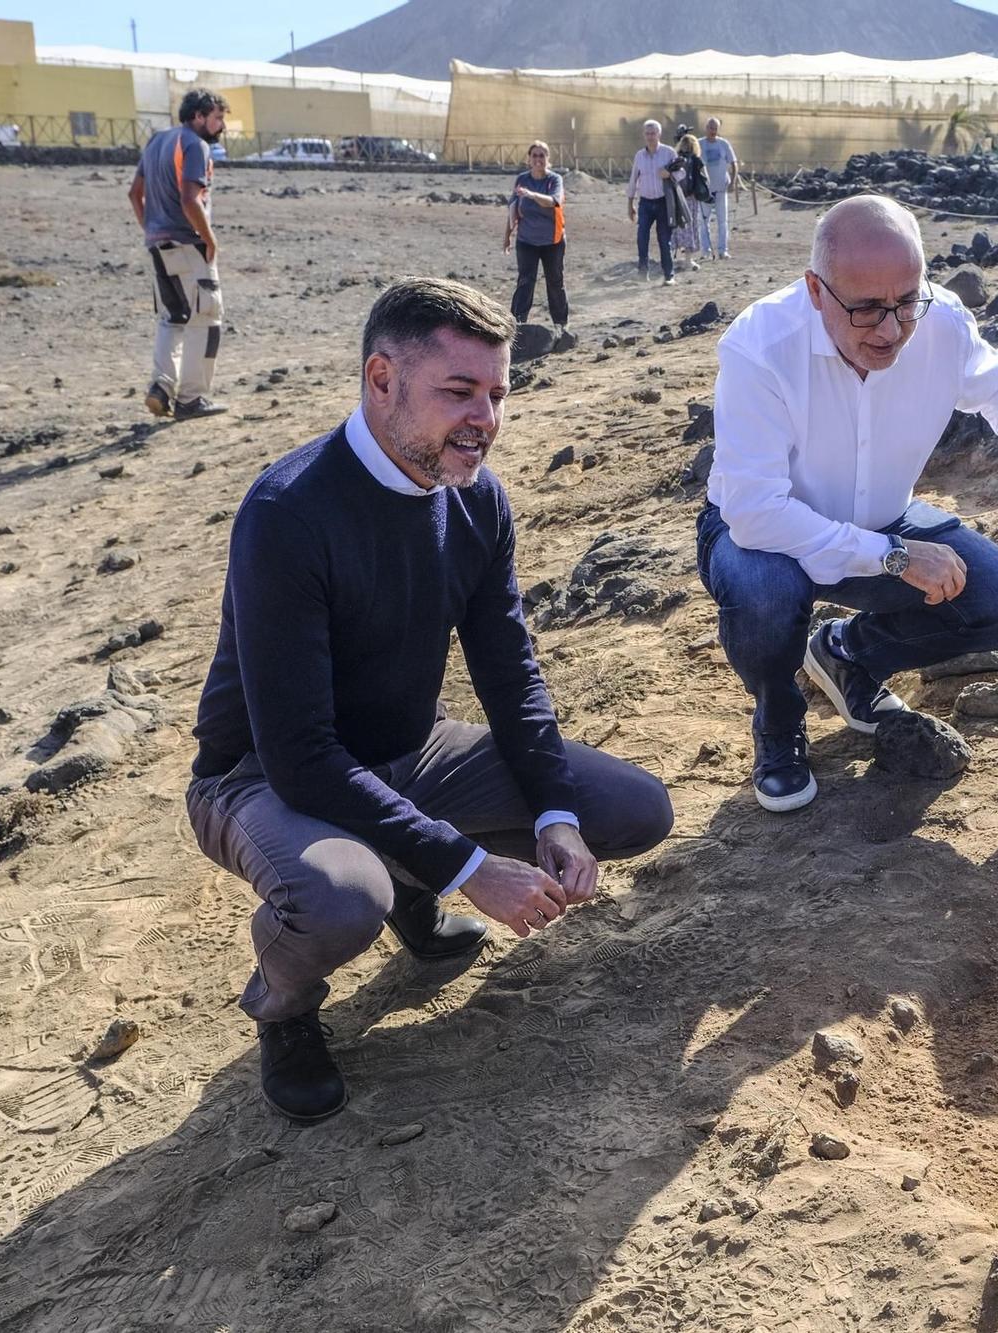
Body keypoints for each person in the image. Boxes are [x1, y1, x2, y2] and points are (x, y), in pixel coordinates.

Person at [186, 277, 675, 1121]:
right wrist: (470, 866)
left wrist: (555, 812)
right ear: (382, 380)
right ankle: (286, 1006)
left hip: (411, 752)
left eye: (496, 393)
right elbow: (302, 756)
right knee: (344, 900)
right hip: (258, 776)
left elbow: (510, 672)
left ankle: (408, 874)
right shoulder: (288, 512)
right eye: (458, 391)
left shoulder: (478, 500)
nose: (484, 416)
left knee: (631, 808)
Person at [697, 196, 998, 812]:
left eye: (905, 302)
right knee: (767, 594)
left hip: (884, 520)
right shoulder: (759, 347)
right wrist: (892, 557)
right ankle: (779, 727)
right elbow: (755, 510)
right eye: (865, 309)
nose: (890, 330)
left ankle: (845, 655)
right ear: (815, 290)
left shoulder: (940, 323)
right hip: (762, 537)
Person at [128, 88, 230, 420]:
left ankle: (161, 387)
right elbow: (190, 199)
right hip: (188, 244)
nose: (221, 125)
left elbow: (134, 193)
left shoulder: (157, 141)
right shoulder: (194, 145)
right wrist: (209, 237)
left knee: (171, 318)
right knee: (206, 318)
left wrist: (151, 229)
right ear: (198, 116)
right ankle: (191, 398)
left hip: (158, 244)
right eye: (217, 118)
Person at [504, 140, 567, 333]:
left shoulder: (554, 180)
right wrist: (507, 236)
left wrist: (531, 195)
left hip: (552, 240)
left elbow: (554, 202)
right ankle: (517, 325)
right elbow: (513, 209)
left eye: (542, 155)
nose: (538, 159)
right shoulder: (522, 179)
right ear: (529, 159)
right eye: (535, 156)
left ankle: (560, 325)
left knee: (555, 281)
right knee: (525, 281)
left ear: (548, 159)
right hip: (526, 240)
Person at [628, 120, 681, 285]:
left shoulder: (669, 153)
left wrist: (669, 174)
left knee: (664, 239)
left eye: (653, 133)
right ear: (644, 135)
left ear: (659, 134)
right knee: (641, 236)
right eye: (647, 133)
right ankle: (643, 272)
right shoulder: (639, 156)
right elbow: (633, 180)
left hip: (664, 202)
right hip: (645, 203)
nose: (650, 136)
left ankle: (669, 275)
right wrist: (630, 203)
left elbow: (682, 172)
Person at [697, 117, 738, 260]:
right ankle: (706, 250)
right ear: (706, 128)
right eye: (710, 128)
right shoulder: (699, 144)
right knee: (703, 221)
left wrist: (733, 182)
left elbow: (733, 163)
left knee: (722, 220)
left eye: (715, 128)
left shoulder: (724, 144)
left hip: (721, 188)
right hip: (704, 190)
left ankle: (723, 250)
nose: (712, 131)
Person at [672, 132, 709, 267]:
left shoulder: (676, 158)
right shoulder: (697, 160)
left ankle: (672, 257)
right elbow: (706, 178)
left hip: (677, 196)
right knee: (691, 226)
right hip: (692, 198)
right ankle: (688, 259)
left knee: (675, 226)